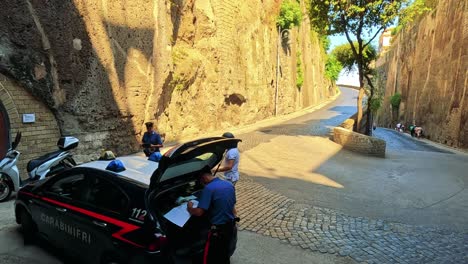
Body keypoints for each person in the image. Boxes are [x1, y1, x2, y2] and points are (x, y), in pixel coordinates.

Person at [187, 168, 236, 264]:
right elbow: (232, 206)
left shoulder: (209, 188)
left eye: (201, 182)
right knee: (224, 252)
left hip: (217, 230)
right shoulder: (229, 185)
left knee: (212, 256)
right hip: (229, 226)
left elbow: (199, 212)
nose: (202, 185)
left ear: (203, 178)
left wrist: (190, 208)